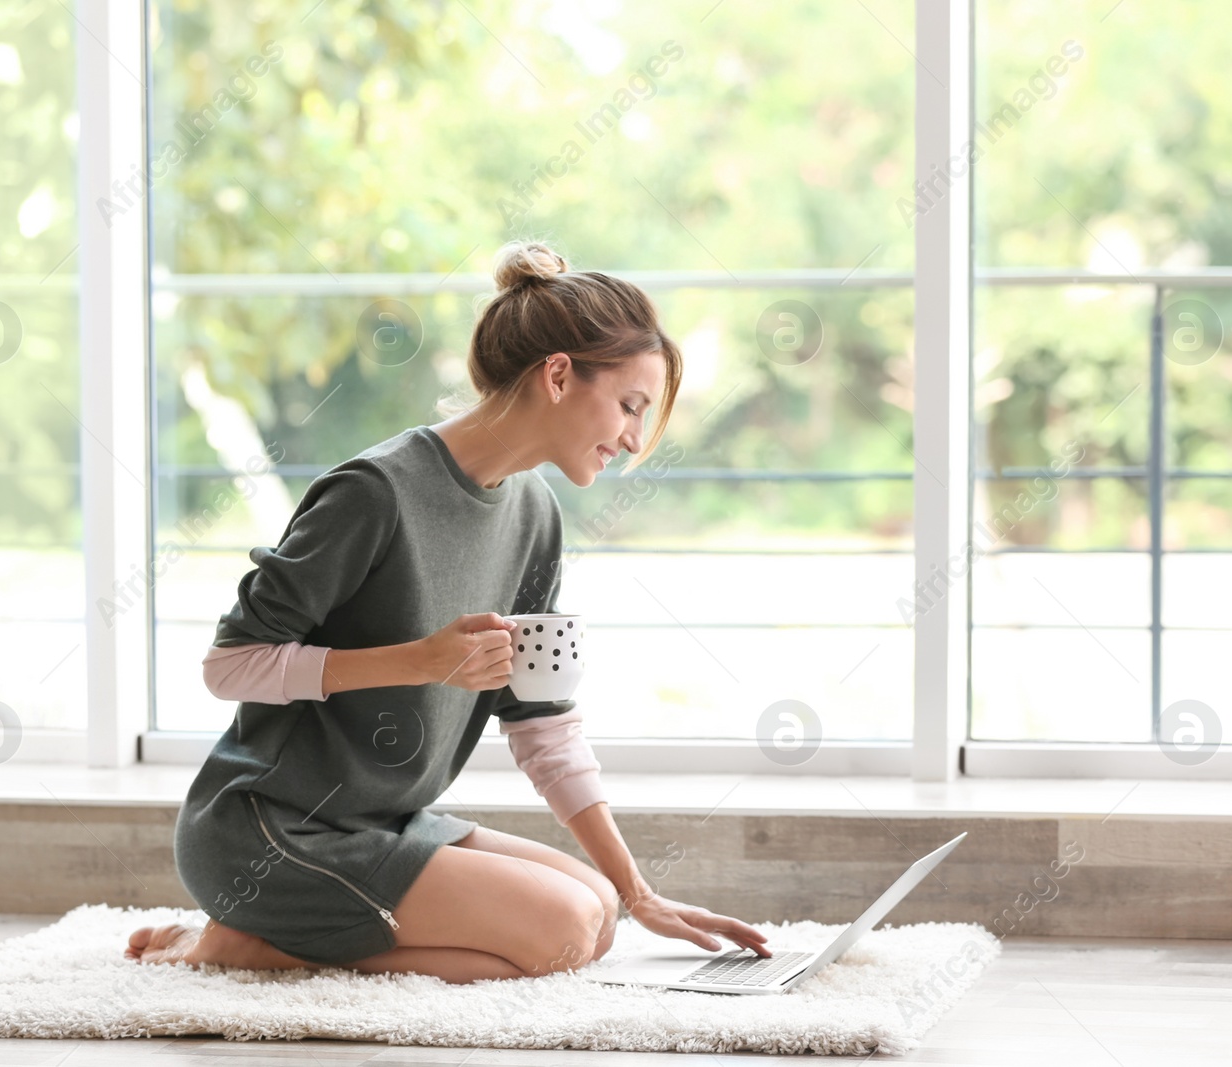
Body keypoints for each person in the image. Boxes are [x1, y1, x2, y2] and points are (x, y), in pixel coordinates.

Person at [126, 240, 770, 983]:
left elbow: (542, 723)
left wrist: (640, 891)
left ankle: (287, 939)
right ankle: (251, 943)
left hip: (385, 819)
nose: (632, 439)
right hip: (270, 829)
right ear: (558, 374)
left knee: (596, 914)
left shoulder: (535, 513)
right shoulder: (375, 492)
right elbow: (228, 666)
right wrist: (419, 661)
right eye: (630, 406)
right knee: (558, 930)